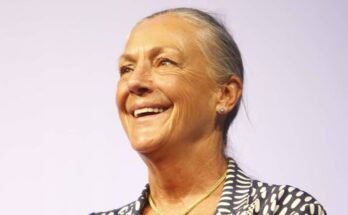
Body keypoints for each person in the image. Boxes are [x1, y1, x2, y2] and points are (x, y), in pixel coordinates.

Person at [91, 8, 326, 215]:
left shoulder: (284, 209)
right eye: (126, 68)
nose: (134, 82)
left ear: (225, 94)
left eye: (165, 62)